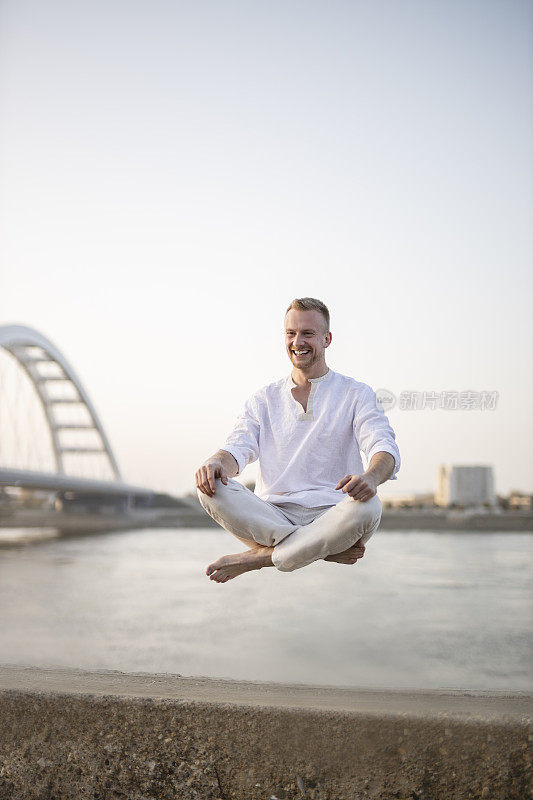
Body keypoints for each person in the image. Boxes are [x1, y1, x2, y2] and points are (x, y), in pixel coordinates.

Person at [195, 297, 401, 583]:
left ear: (327, 339)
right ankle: (319, 549)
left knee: (370, 506)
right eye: (291, 333)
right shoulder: (263, 399)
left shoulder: (356, 393)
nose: (297, 342)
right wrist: (216, 462)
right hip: (273, 516)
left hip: (334, 514)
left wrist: (370, 477)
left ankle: (261, 558)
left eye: (307, 333)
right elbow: (238, 448)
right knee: (208, 486)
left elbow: (384, 447)